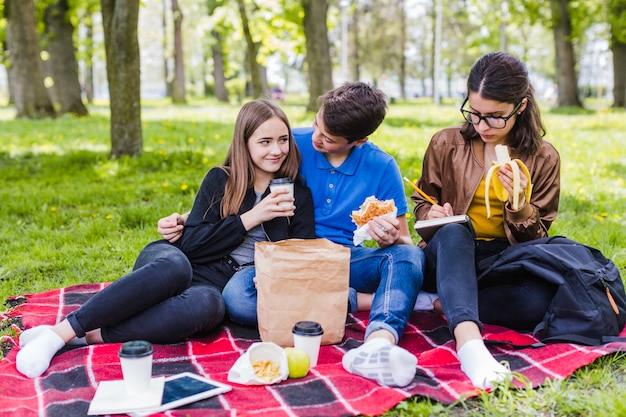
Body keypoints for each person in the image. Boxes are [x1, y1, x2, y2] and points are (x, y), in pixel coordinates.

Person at [15, 99, 316, 378]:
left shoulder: (297, 194)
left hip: (216, 283)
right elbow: (191, 246)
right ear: (244, 144)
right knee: (176, 268)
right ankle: (60, 334)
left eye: (283, 140)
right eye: (265, 141)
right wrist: (253, 216)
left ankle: (88, 335)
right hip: (174, 260)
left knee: (211, 307)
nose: (276, 150)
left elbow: (300, 255)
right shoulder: (221, 179)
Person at [158, 82, 425, 388]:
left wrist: (389, 238)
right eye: (316, 124)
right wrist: (187, 218)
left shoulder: (382, 167)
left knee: (409, 256)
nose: (315, 138)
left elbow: (405, 241)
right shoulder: (288, 142)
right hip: (284, 258)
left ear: (359, 141)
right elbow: (236, 182)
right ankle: (375, 299)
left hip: (343, 259)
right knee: (237, 297)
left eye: (328, 138)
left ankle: (378, 345)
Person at [411, 52, 560, 389]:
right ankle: (471, 346)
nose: (482, 126)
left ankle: (438, 302)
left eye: (495, 117)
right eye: (474, 113)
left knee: (538, 300)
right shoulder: (447, 143)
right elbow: (422, 200)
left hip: (501, 259)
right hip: (447, 252)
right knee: (455, 232)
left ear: (520, 107)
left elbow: (537, 242)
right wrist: (430, 214)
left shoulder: (543, 157)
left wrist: (520, 206)